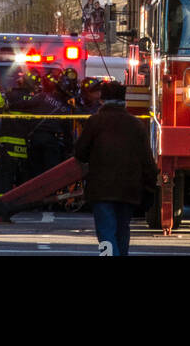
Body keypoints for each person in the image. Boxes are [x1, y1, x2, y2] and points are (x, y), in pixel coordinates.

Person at [73, 81, 157, 258]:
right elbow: (147, 161)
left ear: (102, 100)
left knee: (106, 233)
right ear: (124, 100)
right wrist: (149, 188)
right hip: (129, 189)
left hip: (101, 188)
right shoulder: (136, 125)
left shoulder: (95, 122)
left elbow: (80, 153)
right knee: (122, 230)